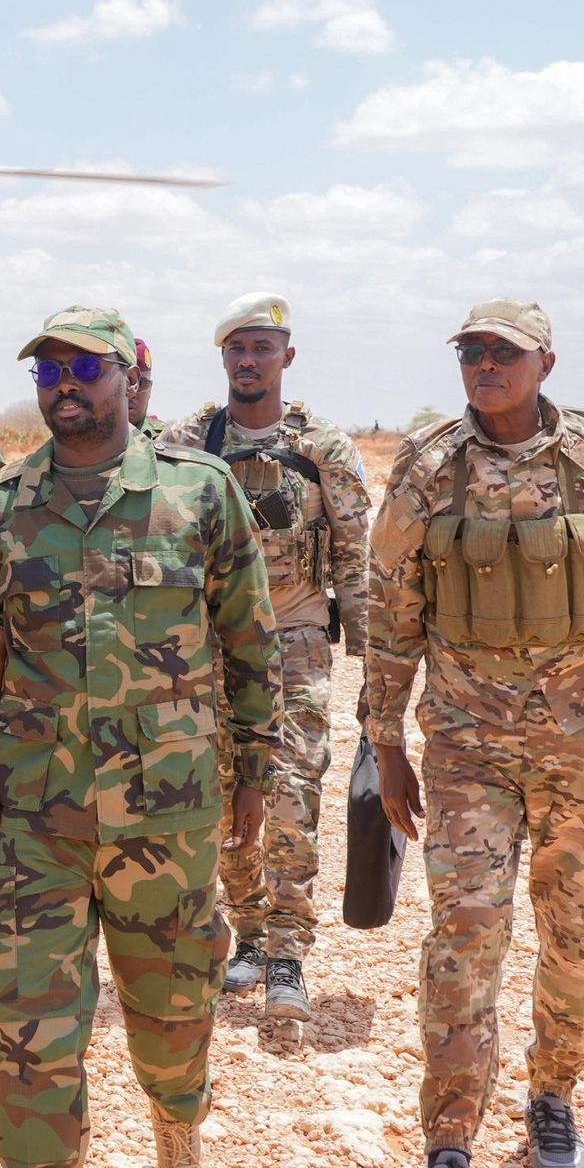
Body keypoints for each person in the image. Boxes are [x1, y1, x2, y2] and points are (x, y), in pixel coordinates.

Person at [0, 306, 278, 1168]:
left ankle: (176, 1130)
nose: (62, 384)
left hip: (167, 819)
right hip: (37, 821)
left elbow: (249, 638)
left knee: (171, 1017)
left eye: (82, 366)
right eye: (47, 368)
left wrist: (255, 771)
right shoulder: (2, 503)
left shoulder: (198, 493)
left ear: (129, 376)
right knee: (29, 1025)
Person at [367, 299, 584, 1168]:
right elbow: (392, 608)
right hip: (466, 741)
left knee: (577, 929)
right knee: (467, 931)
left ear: (546, 363)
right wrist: (385, 743)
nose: (485, 366)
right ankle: (448, 1146)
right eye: (472, 352)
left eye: (504, 353)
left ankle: (554, 1095)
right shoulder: (426, 465)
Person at [159, 293, 370, 1020]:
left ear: (287, 355)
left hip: (297, 641)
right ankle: (246, 933)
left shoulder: (321, 445)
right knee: (221, 799)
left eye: (262, 347)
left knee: (290, 795)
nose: (249, 361)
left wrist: (376, 667)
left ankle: (288, 952)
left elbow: (353, 554)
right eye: (236, 349)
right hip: (208, 648)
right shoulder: (189, 439)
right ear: (223, 358)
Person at [128, 337, 163, 438]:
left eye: (142, 384)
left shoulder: (166, 439)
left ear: (150, 389)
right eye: (128, 383)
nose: (133, 393)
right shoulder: (87, 438)